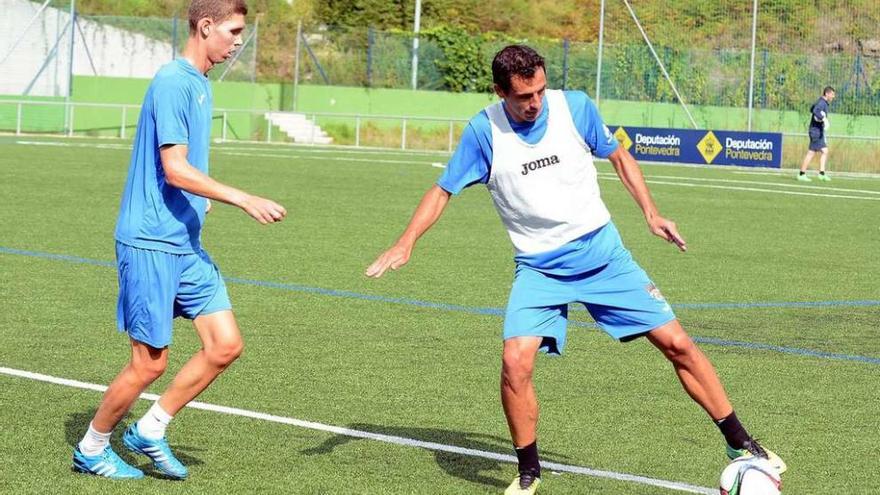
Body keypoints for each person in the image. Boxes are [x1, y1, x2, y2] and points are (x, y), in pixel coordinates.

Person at [366, 45, 785, 495]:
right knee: (514, 362)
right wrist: (406, 241)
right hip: (539, 269)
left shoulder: (576, 108)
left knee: (678, 344)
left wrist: (651, 213)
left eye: (541, 90)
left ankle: (741, 443)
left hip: (603, 254)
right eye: (525, 95)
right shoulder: (483, 132)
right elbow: (443, 190)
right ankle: (528, 471)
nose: (536, 102)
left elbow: (619, 156)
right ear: (499, 91)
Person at [72, 0, 286, 480]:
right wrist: (241, 197)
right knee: (149, 365)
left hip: (184, 243)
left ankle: (150, 428)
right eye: (232, 31)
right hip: (150, 241)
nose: (238, 40)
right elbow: (174, 167)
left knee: (225, 344)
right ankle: (92, 446)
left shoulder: (199, 84)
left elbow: (181, 170)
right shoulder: (173, 81)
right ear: (205, 26)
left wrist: (201, 199)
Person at [798, 86, 835, 182]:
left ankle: (820, 173)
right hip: (815, 132)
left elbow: (812, 109)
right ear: (827, 93)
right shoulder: (822, 102)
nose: (833, 96)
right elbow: (815, 111)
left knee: (821, 151)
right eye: (832, 94)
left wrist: (821, 120)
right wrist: (823, 119)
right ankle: (802, 174)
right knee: (816, 152)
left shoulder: (821, 102)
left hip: (818, 131)